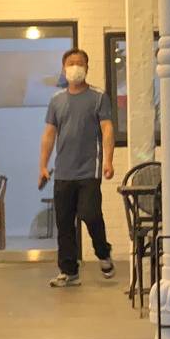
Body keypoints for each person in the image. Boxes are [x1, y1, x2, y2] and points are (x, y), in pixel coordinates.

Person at [38, 46, 116, 287]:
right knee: (64, 223)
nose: (75, 67)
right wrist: (43, 165)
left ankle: (103, 252)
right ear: (64, 69)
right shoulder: (56, 100)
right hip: (63, 171)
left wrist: (108, 160)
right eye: (70, 63)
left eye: (79, 63)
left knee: (90, 214)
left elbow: (107, 129)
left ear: (87, 67)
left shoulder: (98, 97)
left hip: (89, 170)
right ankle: (69, 271)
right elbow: (49, 134)